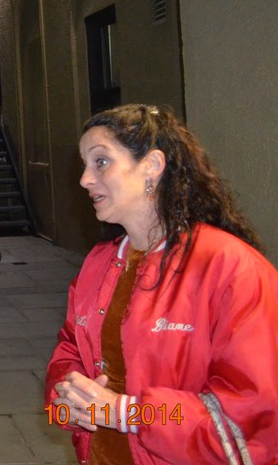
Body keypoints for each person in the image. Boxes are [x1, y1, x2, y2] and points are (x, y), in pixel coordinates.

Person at [46, 103, 278, 464]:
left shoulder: (229, 267)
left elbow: (253, 413)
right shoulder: (99, 263)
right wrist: (67, 404)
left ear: (152, 166)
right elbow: (70, 351)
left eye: (101, 162)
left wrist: (129, 414)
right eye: (85, 165)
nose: (85, 179)